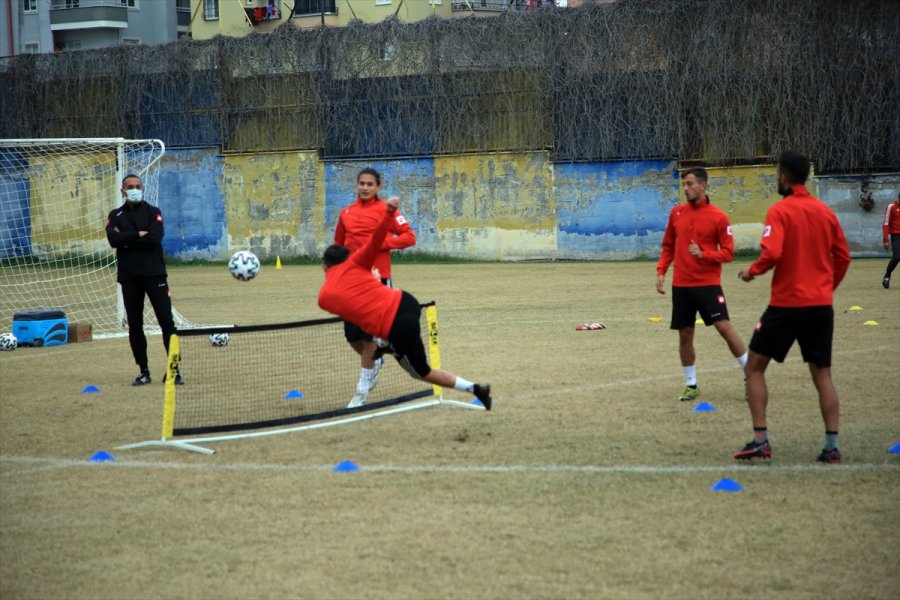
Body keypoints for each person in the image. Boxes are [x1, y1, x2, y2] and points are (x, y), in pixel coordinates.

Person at [319, 196, 492, 411]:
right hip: (407, 301)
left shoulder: (325, 297)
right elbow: (376, 239)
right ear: (347, 258)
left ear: (324, 266)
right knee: (368, 337)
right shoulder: (358, 264)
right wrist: (389, 212)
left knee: (420, 372)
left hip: (397, 325)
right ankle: (385, 345)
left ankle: (476, 389)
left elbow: (356, 309)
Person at [735, 151, 851, 463]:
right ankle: (832, 446)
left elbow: (771, 253)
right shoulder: (825, 212)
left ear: (784, 176)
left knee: (754, 368)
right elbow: (843, 257)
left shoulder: (780, 211)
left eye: (777, 173)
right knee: (823, 375)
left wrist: (751, 272)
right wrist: (826, 288)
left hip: (787, 305)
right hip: (820, 307)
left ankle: (760, 440)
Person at [656, 167, 748, 402]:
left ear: (703, 185)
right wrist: (661, 272)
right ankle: (691, 384)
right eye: (683, 185)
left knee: (724, 328)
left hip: (707, 284)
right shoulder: (676, 213)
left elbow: (728, 253)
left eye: (690, 184)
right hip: (682, 286)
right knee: (685, 334)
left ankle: (751, 375)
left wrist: (704, 254)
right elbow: (668, 246)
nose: (685, 189)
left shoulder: (719, 217)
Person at [334, 168, 416, 408]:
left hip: (378, 280)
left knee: (369, 335)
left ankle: (360, 392)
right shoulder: (346, 213)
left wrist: (380, 243)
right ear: (357, 185)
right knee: (352, 335)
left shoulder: (387, 212)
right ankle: (375, 361)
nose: (365, 187)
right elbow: (337, 245)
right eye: (362, 183)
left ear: (378, 187)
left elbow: (409, 237)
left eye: (370, 184)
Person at [106, 174, 182, 386]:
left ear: (143, 188)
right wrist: (138, 234)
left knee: (167, 321)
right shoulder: (115, 215)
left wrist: (128, 239)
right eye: (130, 186)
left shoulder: (153, 212)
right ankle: (144, 370)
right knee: (135, 325)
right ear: (122, 191)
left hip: (155, 274)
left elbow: (155, 238)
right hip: (130, 277)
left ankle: (174, 369)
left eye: (138, 186)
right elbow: (113, 239)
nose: (134, 189)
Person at [882, 192, 900, 289]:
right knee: (897, 257)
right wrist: (885, 239)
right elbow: (886, 223)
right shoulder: (891, 207)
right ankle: (887, 276)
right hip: (896, 236)